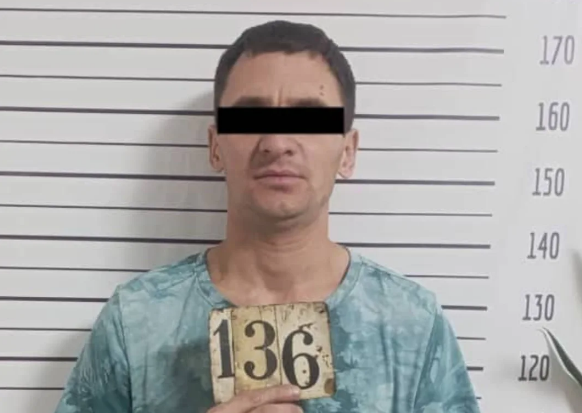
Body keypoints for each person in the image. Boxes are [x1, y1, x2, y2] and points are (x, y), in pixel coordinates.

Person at [53, 20, 481, 413]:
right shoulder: (135, 320)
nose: (277, 142)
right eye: (250, 116)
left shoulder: (412, 323)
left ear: (348, 152)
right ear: (215, 146)